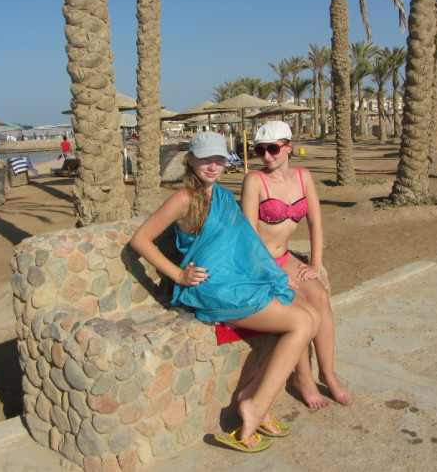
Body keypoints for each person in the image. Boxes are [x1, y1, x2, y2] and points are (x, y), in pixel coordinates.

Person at [130, 131, 320, 452]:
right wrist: (179, 274)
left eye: (219, 159)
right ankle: (255, 407)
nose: (212, 166)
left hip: (235, 281)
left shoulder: (222, 196)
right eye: (205, 159)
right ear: (190, 160)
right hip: (212, 288)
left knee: (310, 315)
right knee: (301, 322)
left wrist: (272, 274)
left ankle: (253, 397)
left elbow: (245, 243)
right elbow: (140, 240)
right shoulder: (183, 198)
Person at [240, 121, 351, 408]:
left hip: (286, 257)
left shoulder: (304, 177)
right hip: (262, 262)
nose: (266, 156)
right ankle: (303, 378)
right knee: (299, 307)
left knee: (321, 298)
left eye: (273, 149)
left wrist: (315, 263)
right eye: (260, 150)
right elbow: (248, 237)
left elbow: (315, 222)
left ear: (289, 147)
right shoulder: (254, 181)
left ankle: (327, 373)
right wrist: (271, 273)